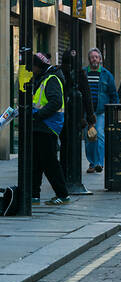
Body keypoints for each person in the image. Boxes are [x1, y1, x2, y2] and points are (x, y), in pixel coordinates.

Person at [30, 53, 70, 206]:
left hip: (48, 126)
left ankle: (63, 194)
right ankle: (34, 195)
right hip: (39, 126)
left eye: (32, 67)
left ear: (38, 66)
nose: (31, 70)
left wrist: (38, 115)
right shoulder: (42, 78)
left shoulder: (51, 79)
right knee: (36, 163)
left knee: (50, 163)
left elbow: (55, 102)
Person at [85, 48, 118, 174]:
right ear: (89, 59)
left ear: (100, 59)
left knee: (99, 136)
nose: (94, 59)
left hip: (100, 112)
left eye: (96, 57)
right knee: (89, 138)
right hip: (87, 113)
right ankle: (92, 163)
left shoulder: (106, 74)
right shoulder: (83, 73)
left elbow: (113, 93)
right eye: (92, 57)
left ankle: (99, 163)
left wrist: (114, 109)